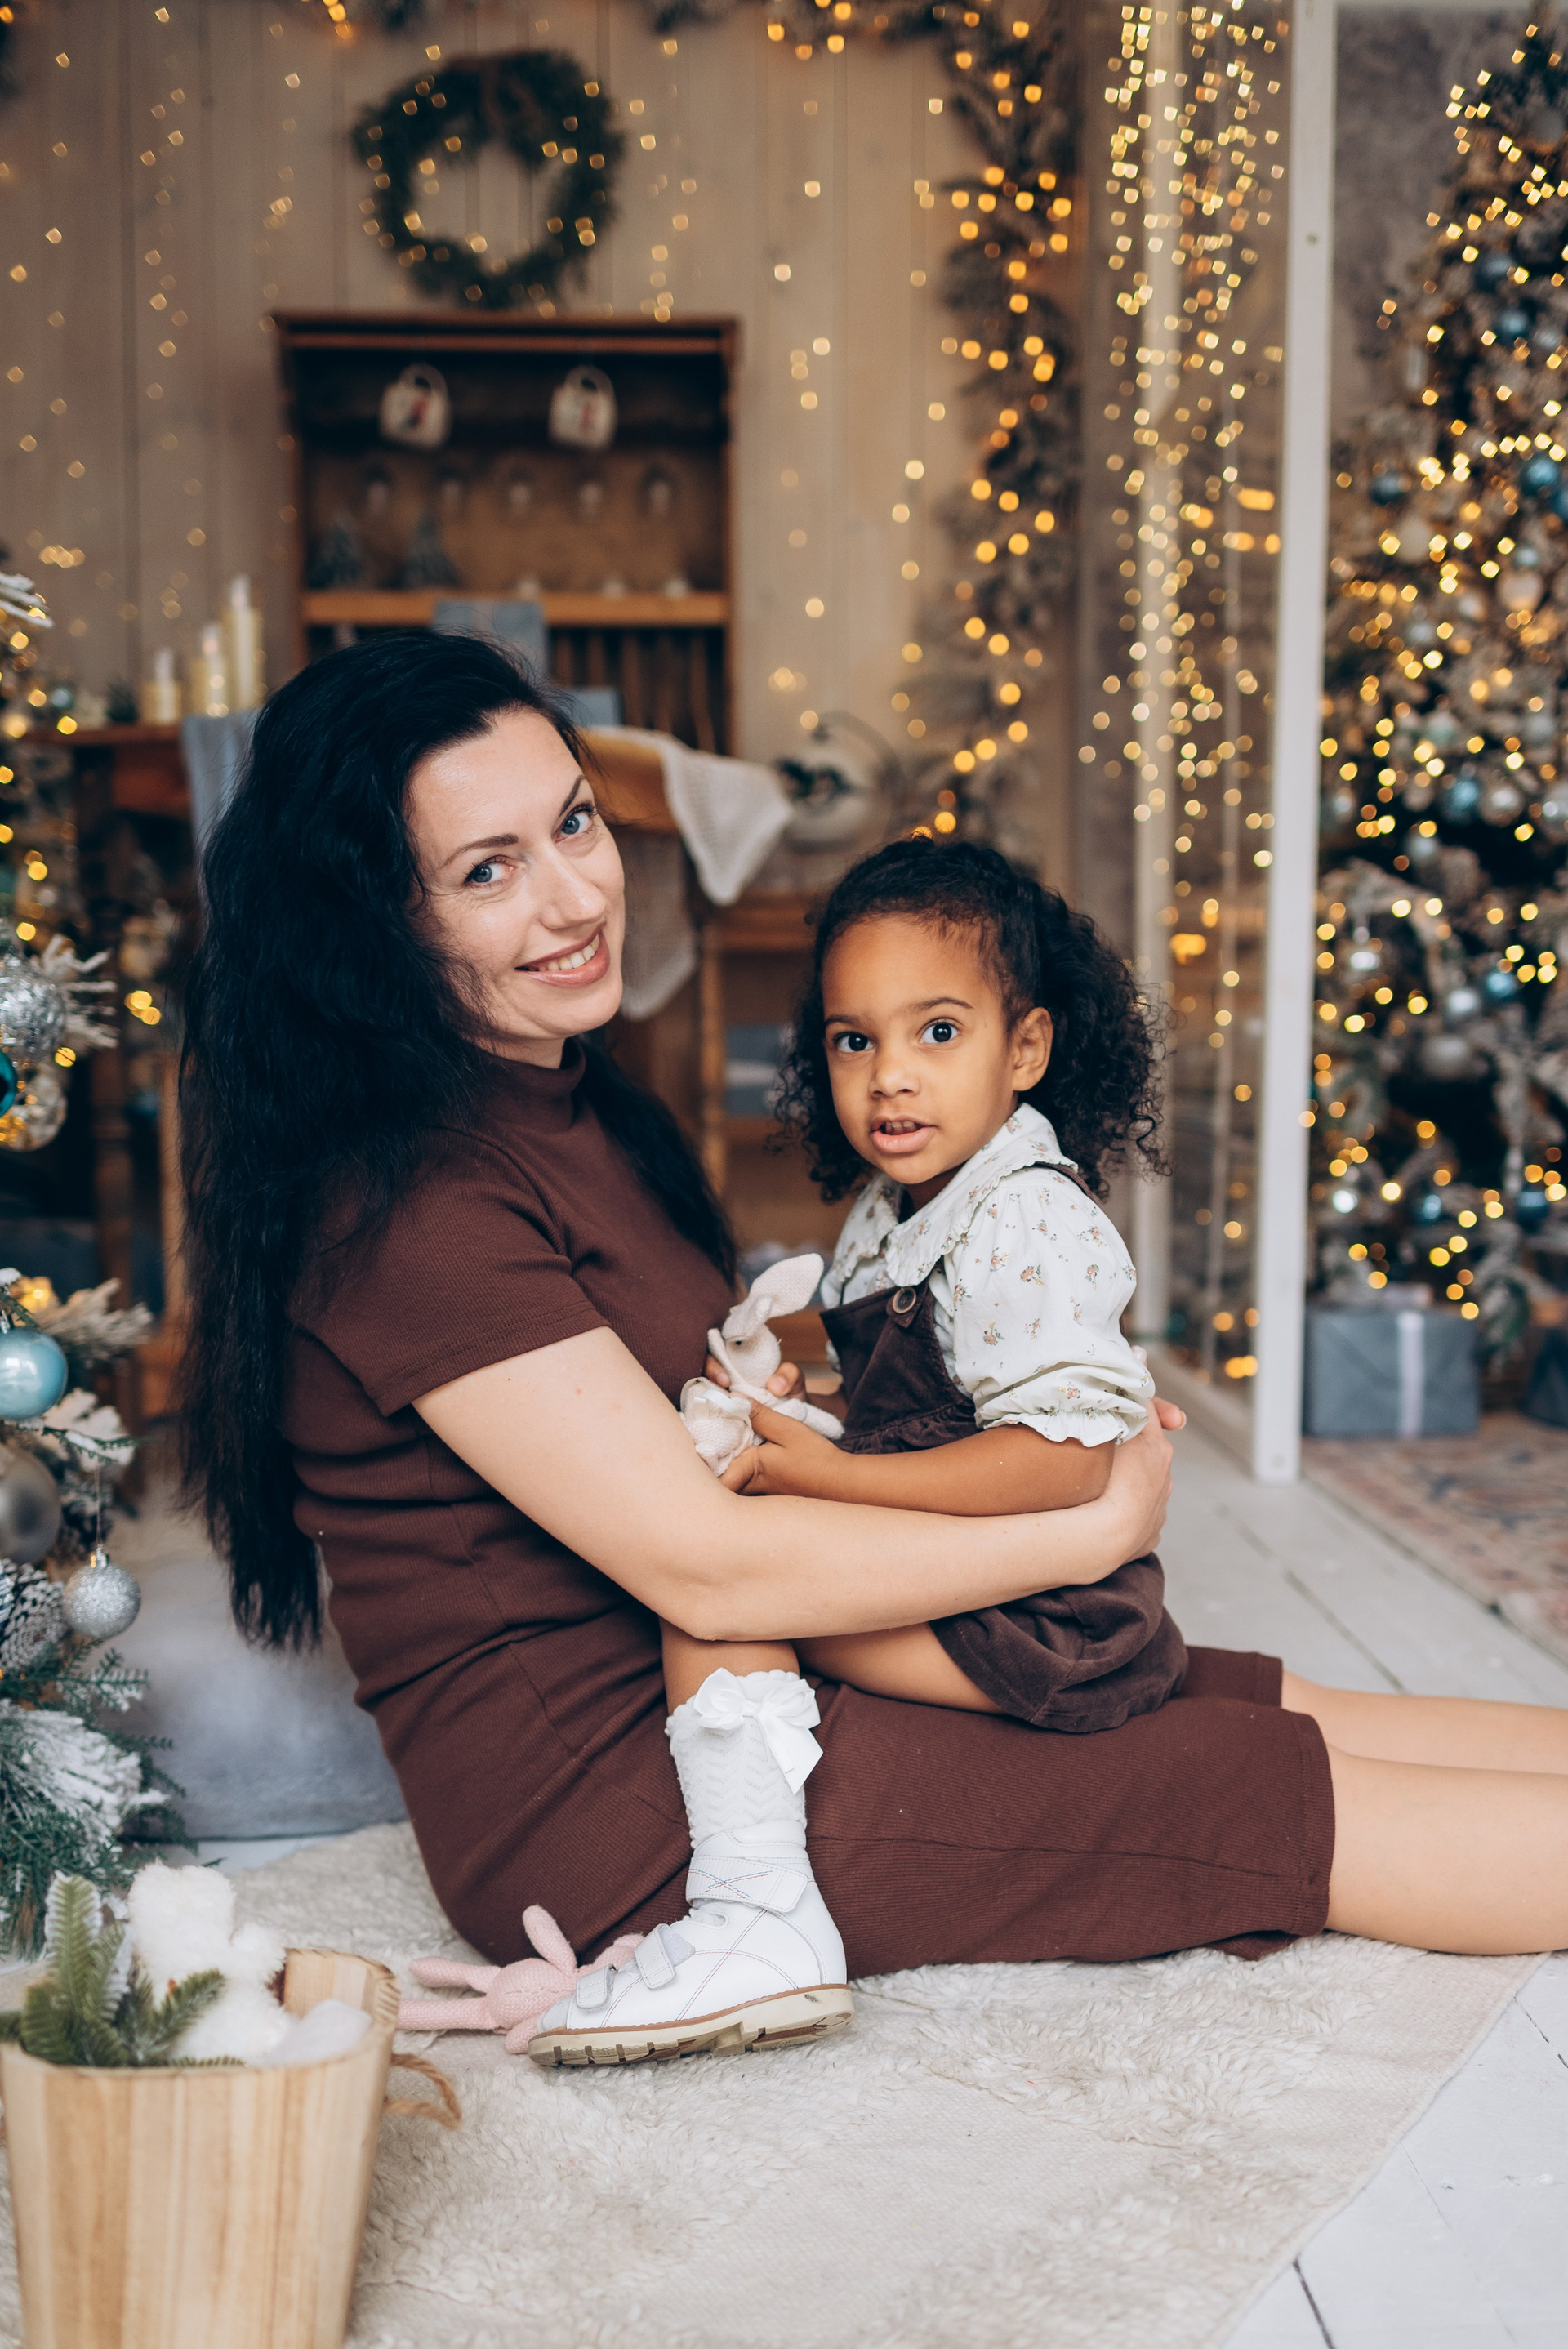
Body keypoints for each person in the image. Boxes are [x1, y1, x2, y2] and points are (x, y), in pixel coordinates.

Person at [180, 633, 1568, 2073]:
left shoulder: (574, 1100)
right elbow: (708, 1570)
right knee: (1239, 1781)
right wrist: (1089, 1526)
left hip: (763, 1677)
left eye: (575, 823)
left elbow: (708, 1439)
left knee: (1227, 1690)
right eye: (489, 871)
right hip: (632, 1799)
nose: (577, 896)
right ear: (371, 926)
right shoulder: (411, 1208)